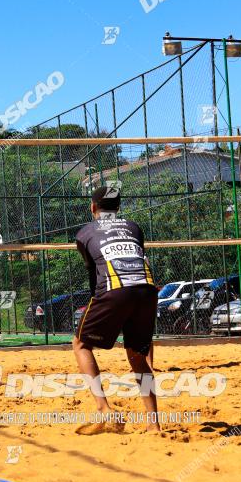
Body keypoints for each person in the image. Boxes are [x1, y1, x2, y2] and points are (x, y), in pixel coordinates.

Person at [72, 185, 159, 433]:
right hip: (147, 289)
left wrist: (106, 309)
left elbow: (95, 277)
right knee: (138, 357)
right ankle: (154, 425)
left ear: (92, 208)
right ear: (119, 208)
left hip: (114, 289)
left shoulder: (85, 232)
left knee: (80, 344)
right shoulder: (134, 227)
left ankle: (103, 408)